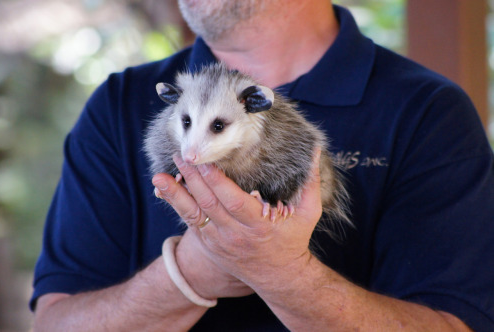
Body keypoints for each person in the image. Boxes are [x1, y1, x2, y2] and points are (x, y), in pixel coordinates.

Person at [31, 1, 494, 331]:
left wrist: (284, 273)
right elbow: (53, 322)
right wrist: (193, 271)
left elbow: (458, 324)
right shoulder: (119, 104)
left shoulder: (427, 112)